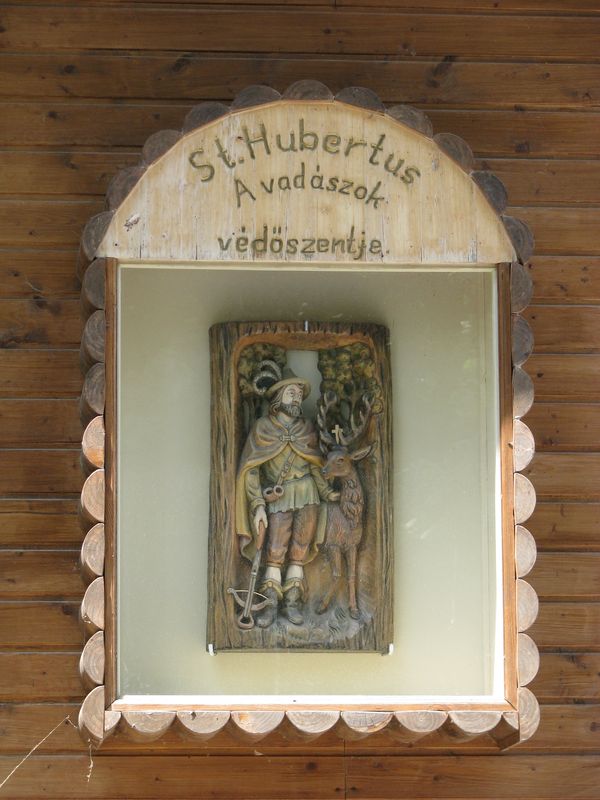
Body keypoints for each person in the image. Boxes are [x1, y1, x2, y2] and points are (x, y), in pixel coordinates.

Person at [235, 369, 339, 627]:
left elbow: (315, 465)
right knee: (275, 550)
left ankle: (292, 601)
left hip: (308, 496)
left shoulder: (307, 429)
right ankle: (270, 604)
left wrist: (327, 493)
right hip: (279, 498)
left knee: (299, 550)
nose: (296, 398)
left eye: (299, 394)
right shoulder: (263, 428)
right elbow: (252, 470)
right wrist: (258, 504)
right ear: (277, 396)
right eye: (291, 392)